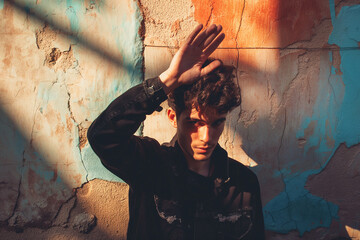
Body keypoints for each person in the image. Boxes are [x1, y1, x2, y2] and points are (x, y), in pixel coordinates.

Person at [87, 24, 265, 240]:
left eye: (217, 123)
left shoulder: (243, 183)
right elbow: (103, 136)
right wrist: (167, 82)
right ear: (173, 118)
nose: (206, 137)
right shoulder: (149, 164)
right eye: (195, 123)